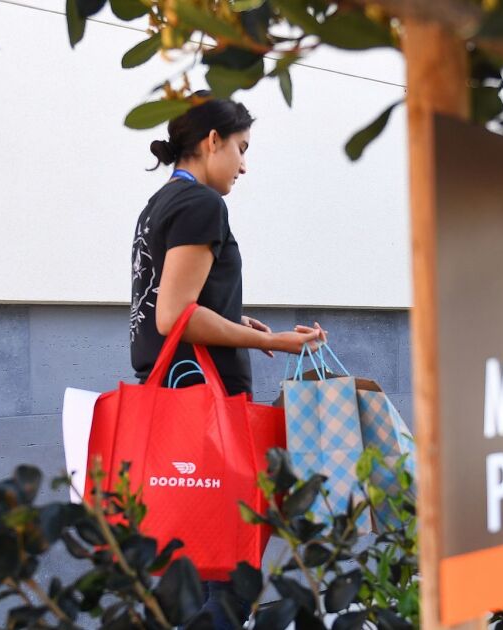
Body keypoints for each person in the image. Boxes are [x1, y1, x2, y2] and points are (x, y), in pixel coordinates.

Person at [129, 93, 326, 629]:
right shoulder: (203, 205)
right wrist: (280, 343)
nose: (244, 164)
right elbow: (174, 315)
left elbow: (177, 308)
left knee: (184, 566)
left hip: (172, 399)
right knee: (227, 575)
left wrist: (247, 332)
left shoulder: (160, 203)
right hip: (204, 408)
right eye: (240, 148)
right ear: (211, 141)